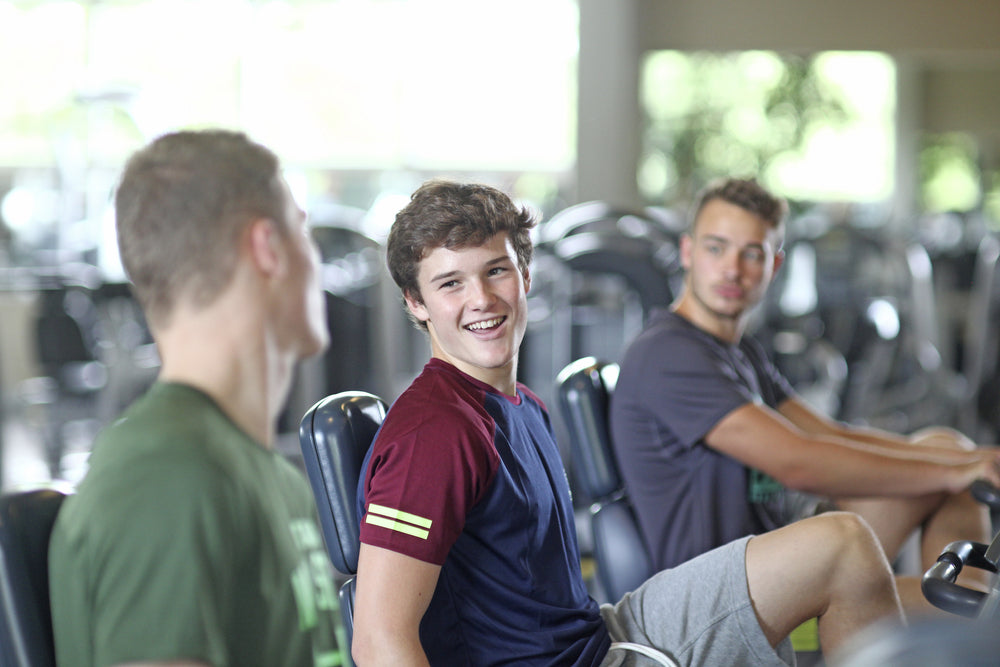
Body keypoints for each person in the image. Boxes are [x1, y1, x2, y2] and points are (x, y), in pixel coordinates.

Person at [351, 178, 905, 666]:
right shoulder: (435, 433)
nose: (481, 299)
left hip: (600, 635)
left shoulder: (519, 404)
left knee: (848, 546)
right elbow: (379, 642)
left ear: (524, 276)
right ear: (416, 302)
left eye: (496, 271)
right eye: (450, 284)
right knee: (844, 548)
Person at [610, 176, 1000, 614]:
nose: (732, 269)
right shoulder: (668, 352)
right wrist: (953, 473)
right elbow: (798, 462)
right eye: (715, 248)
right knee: (970, 604)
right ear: (687, 252)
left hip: (773, 562)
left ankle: (954, 629)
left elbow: (829, 434)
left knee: (946, 447)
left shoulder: (738, 350)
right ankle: (959, 625)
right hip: (723, 599)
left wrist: (968, 462)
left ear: (773, 266)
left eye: (751, 254)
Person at [48, 130, 342, 667]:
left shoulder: (270, 476)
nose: (316, 261)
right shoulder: (165, 480)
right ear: (268, 249)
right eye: (304, 233)